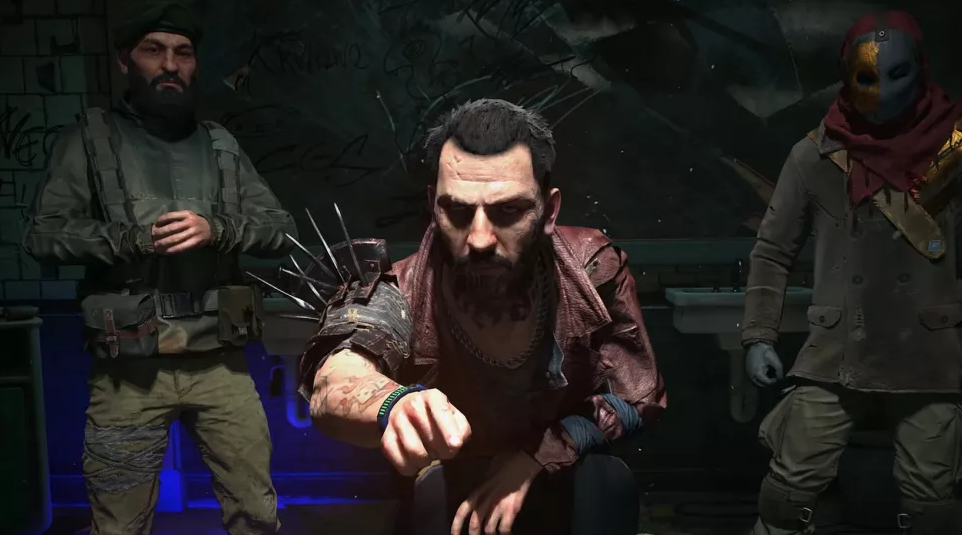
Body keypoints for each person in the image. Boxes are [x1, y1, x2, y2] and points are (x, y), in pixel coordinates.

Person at [285, 98, 666, 535]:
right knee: (433, 496)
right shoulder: (402, 289)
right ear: (434, 205)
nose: (480, 238)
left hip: (567, 472)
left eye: (508, 211)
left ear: (549, 211)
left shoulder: (591, 269)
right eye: (458, 211)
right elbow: (335, 378)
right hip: (451, 485)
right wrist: (394, 403)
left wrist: (535, 455)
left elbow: (639, 397)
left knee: (606, 483)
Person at [21, 3, 296, 534]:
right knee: (119, 524)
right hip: (129, 373)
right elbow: (43, 236)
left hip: (220, 365)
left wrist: (219, 229)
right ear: (125, 61)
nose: (170, 64)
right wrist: (130, 239)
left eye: (183, 53)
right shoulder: (90, 142)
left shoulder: (220, 146)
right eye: (154, 50)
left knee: (256, 516)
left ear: (195, 65)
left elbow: (280, 230)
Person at [741, 11, 962, 535]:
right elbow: (773, 250)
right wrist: (758, 336)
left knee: (933, 505)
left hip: (928, 353)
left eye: (898, 73)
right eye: (867, 76)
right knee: (787, 494)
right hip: (838, 349)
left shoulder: (954, 150)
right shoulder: (816, 156)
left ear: (920, 69)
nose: (883, 91)